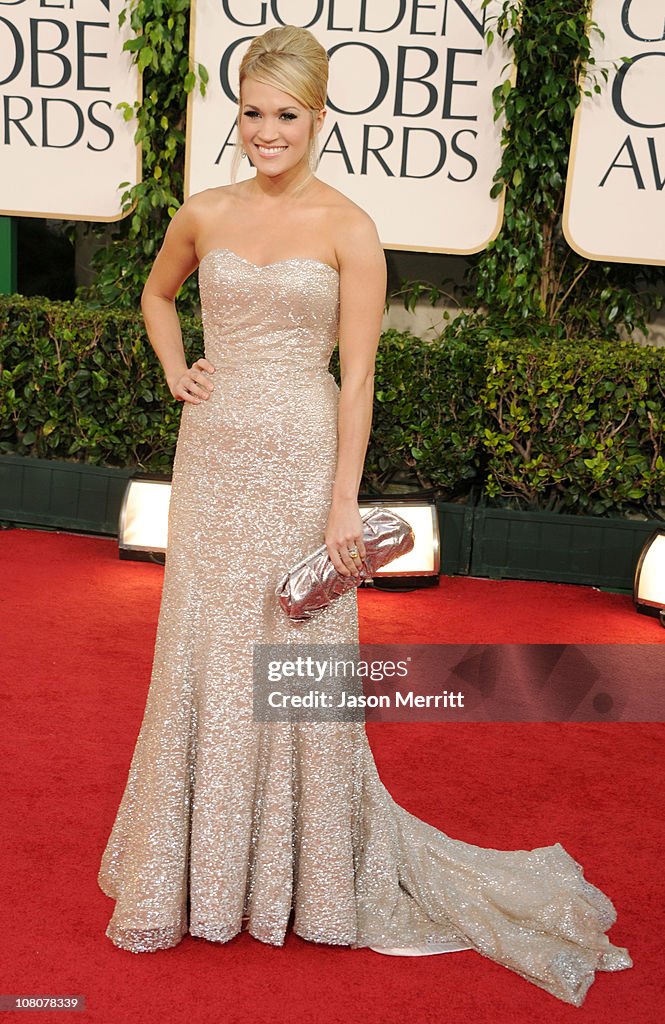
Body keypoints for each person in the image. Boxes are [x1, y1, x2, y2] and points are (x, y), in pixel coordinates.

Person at [97, 25, 632, 1007]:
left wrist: (342, 501)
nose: (266, 131)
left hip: (301, 462)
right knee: (204, 648)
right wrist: (176, 367)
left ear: (318, 116)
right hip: (212, 462)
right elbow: (153, 294)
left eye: (285, 116)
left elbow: (355, 385)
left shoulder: (348, 227)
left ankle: (294, 874)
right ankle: (194, 867)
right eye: (252, 112)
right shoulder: (202, 211)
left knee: (291, 659)